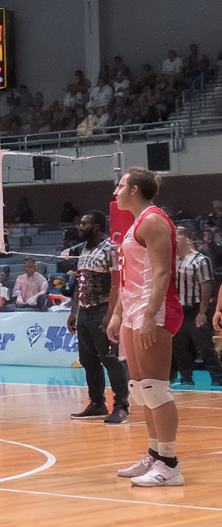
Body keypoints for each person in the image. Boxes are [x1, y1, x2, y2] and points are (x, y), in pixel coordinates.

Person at [107, 167, 185, 487]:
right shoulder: (134, 225)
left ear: (135, 190)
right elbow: (130, 279)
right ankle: (154, 455)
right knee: (140, 389)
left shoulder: (153, 220)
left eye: (121, 185)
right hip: (133, 310)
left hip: (155, 309)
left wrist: (151, 314)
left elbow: (162, 273)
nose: (116, 191)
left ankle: (169, 464)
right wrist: (116, 314)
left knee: (155, 388)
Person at [67, 211, 130, 422]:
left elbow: (117, 284)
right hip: (85, 312)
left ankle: (121, 407)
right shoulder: (84, 250)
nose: (79, 226)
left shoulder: (111, 249)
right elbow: (80, 283)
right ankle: (97, 404)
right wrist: (73, 311)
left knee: (110, 360)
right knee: (87, 360)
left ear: (96, 226)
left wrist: (111, 313)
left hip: (103, 310)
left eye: (84, 223)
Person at [171, 224, 220, 387]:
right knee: (180, 346)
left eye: (177, 237)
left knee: (204, 344)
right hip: (178, 309)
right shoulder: (172, 260)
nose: (174, 240)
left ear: (187, 238)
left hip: (195, 308)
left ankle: (217, 376)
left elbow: (207, 285)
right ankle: (186, 377)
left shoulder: (200, 260)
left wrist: (203, 311)